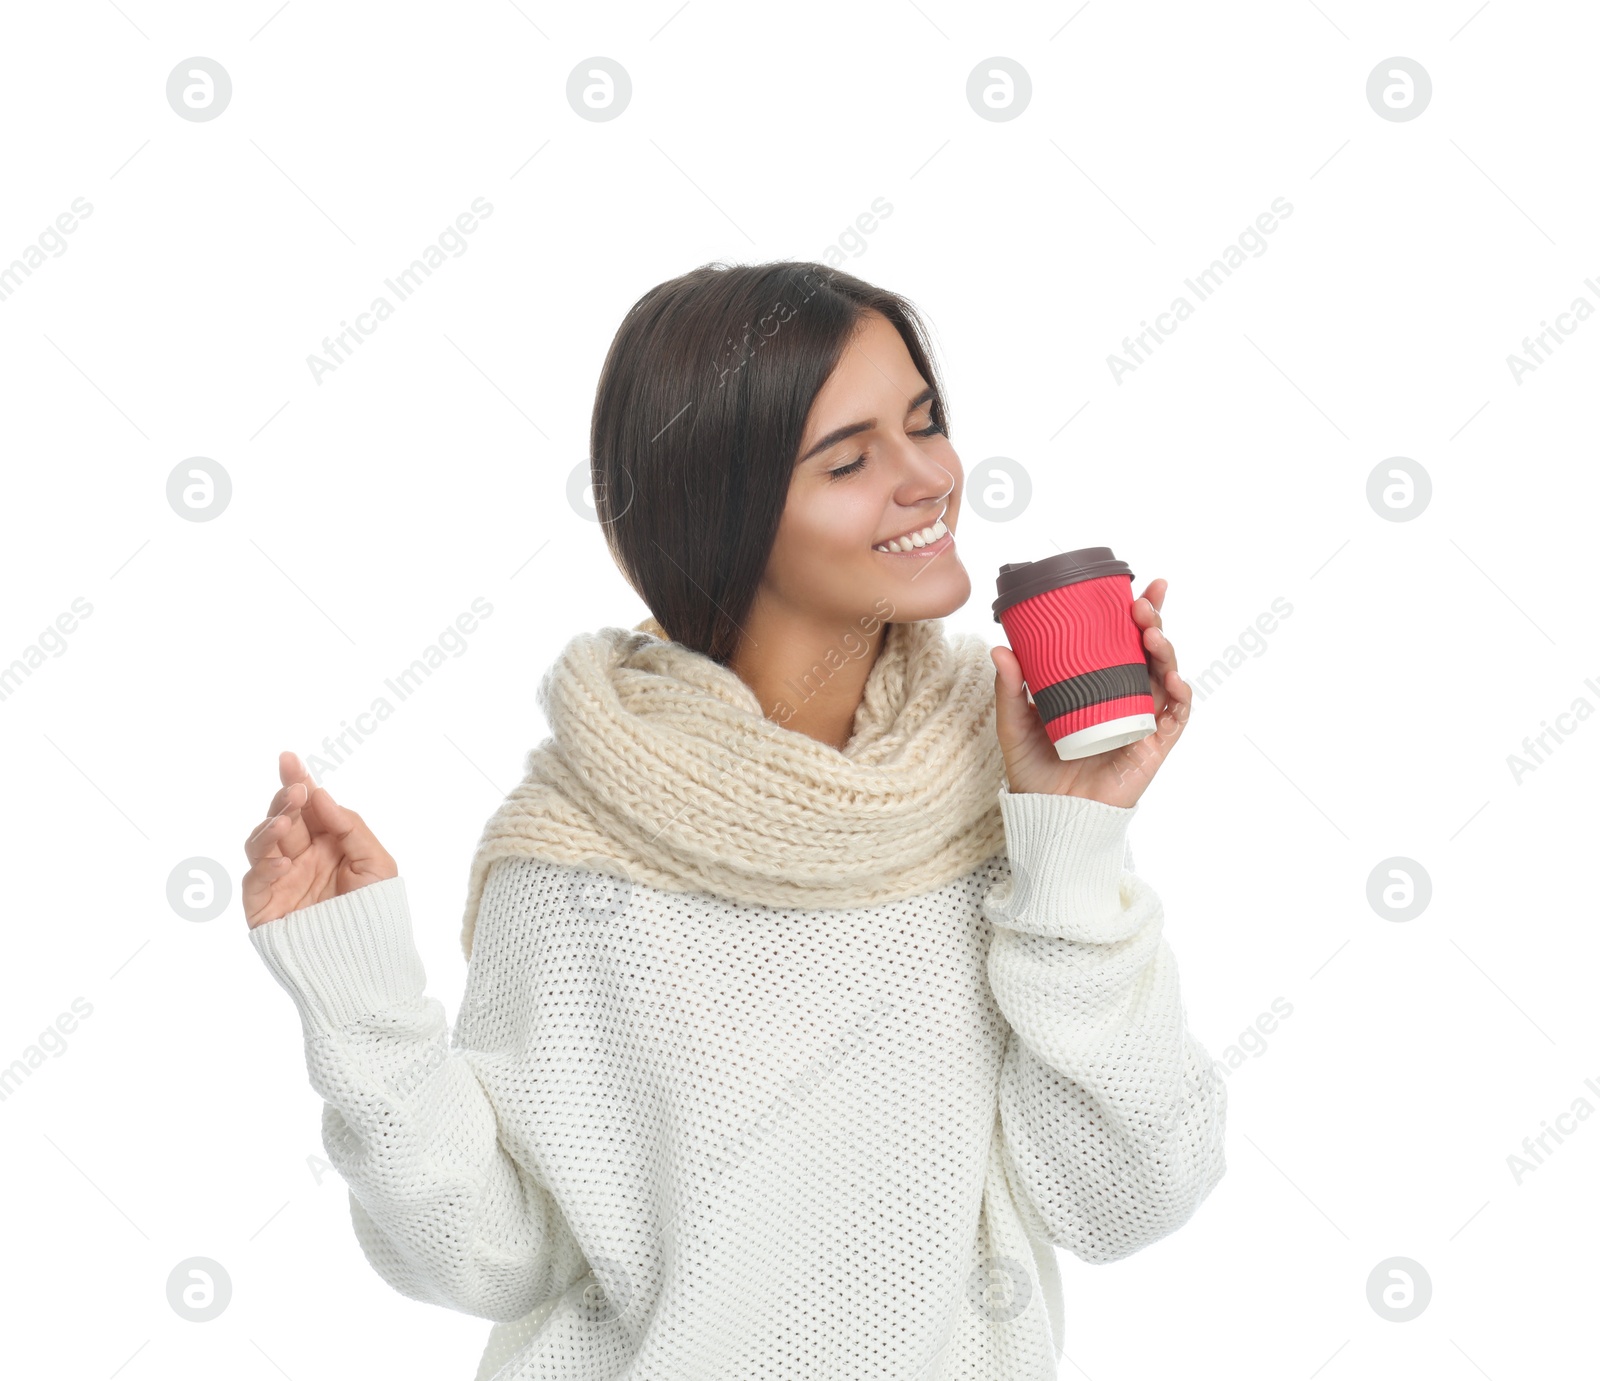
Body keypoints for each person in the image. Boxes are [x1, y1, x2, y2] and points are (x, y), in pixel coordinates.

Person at [242, 260, 1224, 1380]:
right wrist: (358, 997)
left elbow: (1129, 1194)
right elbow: (492, 1258)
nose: (929, 479)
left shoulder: (999, 792)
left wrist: (1071, 843)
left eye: (925, 424)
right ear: (721, 506)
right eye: (849, 459)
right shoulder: (580, 846)